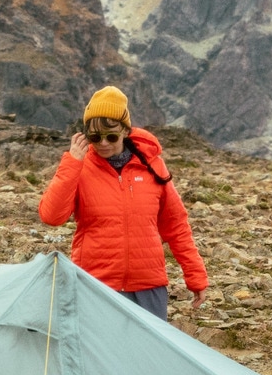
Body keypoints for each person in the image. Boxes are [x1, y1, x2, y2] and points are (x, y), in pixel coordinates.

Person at [36, 86, 208, 321]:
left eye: (112, 136)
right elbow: (51, 216)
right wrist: (71, 164)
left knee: (147, 355)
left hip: (148, 287)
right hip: (95, 284)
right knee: (98, 357)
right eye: (95, 137)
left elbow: (175, 225)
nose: (103, 143)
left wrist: (195, 276)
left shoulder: (152, 166)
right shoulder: (79, 166)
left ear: (125, 131)